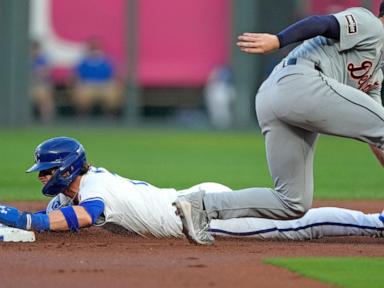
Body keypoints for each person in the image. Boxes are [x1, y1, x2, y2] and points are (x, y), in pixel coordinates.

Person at [173, 4, 384, 244]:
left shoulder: (376, 73)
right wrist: (278, 40)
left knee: (292, 202)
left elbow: (375, 130)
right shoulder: (372, 26)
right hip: (299, 82)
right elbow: (322, 23)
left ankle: (200, 205)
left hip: (277, 97)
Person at [0, 137, 383, 243]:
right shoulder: (84, 181)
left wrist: (26, 220)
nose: (40, 177)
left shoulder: (96, 189)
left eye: (45, 170)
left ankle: (375, 222)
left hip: (199, 214)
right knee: (294, 222)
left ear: (64, 169)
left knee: (300, 224)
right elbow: (67, 204)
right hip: (191, 199)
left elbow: (86, 216)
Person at [73, 38, 122, 117]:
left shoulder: (107, 61)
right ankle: (82, 116)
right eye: (92, 47)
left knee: (112, 92)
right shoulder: (83, 61)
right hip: (88, 85)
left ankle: (110, 116)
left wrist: (115, 83)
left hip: (105, 85)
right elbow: (77, 76)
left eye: (96, 47)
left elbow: (114, 75)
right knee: (81, 93)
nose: (94, 49)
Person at [30, 40, 55, 123]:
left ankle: (45, 120)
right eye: (33, 49)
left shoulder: (43, 60)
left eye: (36, 49)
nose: (34, 51)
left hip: (40, 85)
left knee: (44, 95)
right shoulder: (24, 60)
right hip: (27, 87)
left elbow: (45, 75)